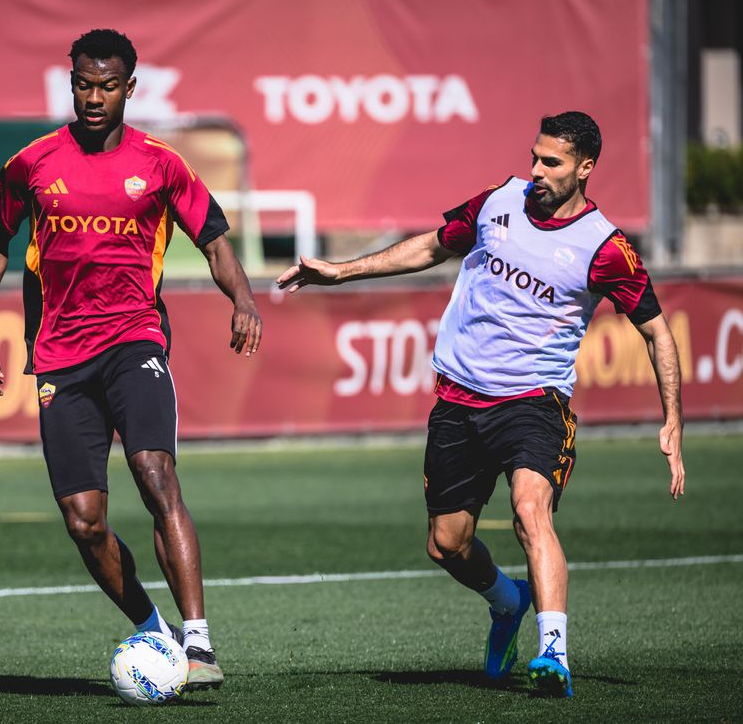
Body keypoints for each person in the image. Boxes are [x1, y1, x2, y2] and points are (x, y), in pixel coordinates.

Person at [277, 111, 685, 698]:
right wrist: (341, 272)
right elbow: (432, 247)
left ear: (586, 168)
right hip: (457, 398)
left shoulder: (606, 248)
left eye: (553, 163)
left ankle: (554, 655)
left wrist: (672, 419)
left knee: (529, 511)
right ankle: (507, 600)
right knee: (447, 544)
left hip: (535, 402)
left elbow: (657, 332)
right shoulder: (500, 200)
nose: (537, 172)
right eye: (535, 157)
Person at [0, 28, 261, 691]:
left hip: (134, 341)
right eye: (82, 84)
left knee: (155, 474)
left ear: (130, 88)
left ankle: (198, 642)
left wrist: (242, 298)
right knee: (83, 520)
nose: (93, 97)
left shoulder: (161, 164)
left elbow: (214, 240)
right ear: (70, 83)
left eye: (106, 85)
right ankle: (152, 628)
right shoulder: (32, 163)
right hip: (59, 357)